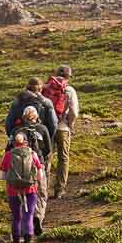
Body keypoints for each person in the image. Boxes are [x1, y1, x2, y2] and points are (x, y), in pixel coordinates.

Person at [0, 131, 44, 243]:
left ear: (13, 143)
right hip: (30, 190)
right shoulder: (32, 154)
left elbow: (1, 176)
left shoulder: (8, 155)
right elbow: (39, 175)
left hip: (13, 191)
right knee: (28, 215)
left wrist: (11, 179)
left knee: (16, 217)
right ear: (26, 142)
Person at [3, 77, 59, 173]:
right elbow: (53, 124)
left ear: (27, 88)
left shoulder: (18, 101)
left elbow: (9, 123)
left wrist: (14, 136)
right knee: (42, 169)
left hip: (21, 140)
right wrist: (48, 139)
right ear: (41, 89)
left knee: (21, 168)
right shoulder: (47, 102)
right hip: (41, 141)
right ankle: (42, 186)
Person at [41, 66, 80, 197]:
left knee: (47, 157)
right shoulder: (70, 90)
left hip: (47, 128)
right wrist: (70, 124)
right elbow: (74, 111)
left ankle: (43, 188)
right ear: (69, 76)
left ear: (56, 74)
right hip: (63, 128)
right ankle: (59, 189)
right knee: (63, 158)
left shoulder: (46, 88)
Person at [14, 105, 51, 238]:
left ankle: (26, 224)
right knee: (41, 193)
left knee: (23, 196)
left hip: (19, 169)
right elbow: (48, 149)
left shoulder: (17, 130)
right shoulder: (42, 128)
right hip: (38, 165)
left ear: (24, 116)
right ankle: (38, 217)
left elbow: (8, 150)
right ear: (36, 116)